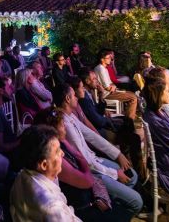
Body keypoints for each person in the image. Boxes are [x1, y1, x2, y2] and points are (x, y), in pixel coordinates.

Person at [54, 83, 143, 216]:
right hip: (93, 171)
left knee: (132, 175)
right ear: (67, 98)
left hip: (95, 160)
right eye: (74, 95)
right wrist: (114, 173)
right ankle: (112, 208)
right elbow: (86, 163)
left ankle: (113, 202)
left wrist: (118, 154)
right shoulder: (65, 123)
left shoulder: (70, 116)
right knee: (137, 201)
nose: (77, 97)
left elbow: (92, 136)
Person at [34, 109, 133, 222]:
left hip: (89, 196)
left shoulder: (60, 144)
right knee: (134, 204)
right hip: (83, 207)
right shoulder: (54, 157)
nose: (65, 126)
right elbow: (87, 179)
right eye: (62, 125)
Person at [10, 125, 82, 222]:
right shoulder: (53, 209)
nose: (62, 153)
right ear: (44, 165)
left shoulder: (23, 174)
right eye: (57, 151)